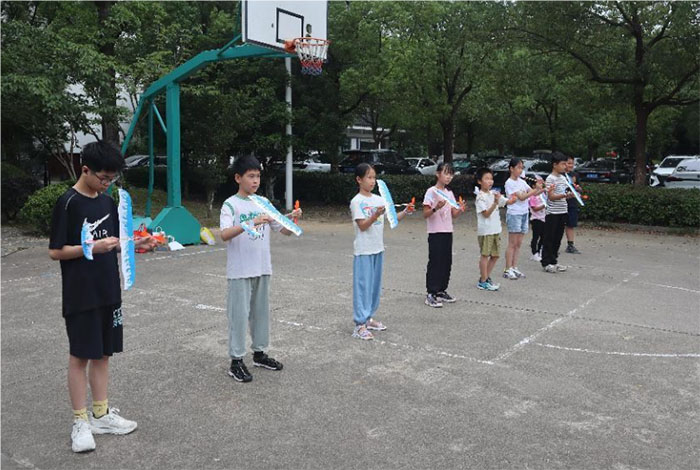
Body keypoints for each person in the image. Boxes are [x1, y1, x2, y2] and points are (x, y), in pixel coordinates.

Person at [49, 141, 156, 453]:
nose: (107, 183)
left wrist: (136, 244)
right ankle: (80, 421)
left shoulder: (108, 202)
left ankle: (101, 414)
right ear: (85, 170)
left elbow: (114, 242)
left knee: (103, 354)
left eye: (112, 178)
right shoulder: (68, 203)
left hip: (109, 290)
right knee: (80, 356)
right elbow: (56, 251)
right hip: (81, 293)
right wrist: (92, 248)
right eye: (104, 177)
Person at [219, 155, 302, 382]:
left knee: (261, 314)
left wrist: (293, 219)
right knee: (238, 316)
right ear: (238, 178)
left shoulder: (263, 202)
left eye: (257, 176)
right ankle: (236, 361)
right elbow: (225, 234)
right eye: (250, 176)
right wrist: (250, 222)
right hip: (240, 270)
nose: (255, 180)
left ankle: (260, 354)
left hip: (262, 267)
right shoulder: (230, 204)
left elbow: (283, 230)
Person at [350, 163, 413, 340]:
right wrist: (375, 215)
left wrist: (405, 211)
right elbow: (362, 226)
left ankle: (368, 318)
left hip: (378, 249)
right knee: (363, 287)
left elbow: (392, 219)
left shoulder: (379, 199)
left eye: (374, 177)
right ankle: (359, 325)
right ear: (359, 179)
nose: (372, 181)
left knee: (374, 287)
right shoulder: (356, 201)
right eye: (369, 177)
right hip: (363, 250)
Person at [422, 162, 467, 308]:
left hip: (448, 230)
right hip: (435, 231)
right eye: (446, 173)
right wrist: (436, 208)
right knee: (435, 261)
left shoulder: (449, 193)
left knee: (446, 262)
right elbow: (425, 213)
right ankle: (431, 293)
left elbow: (454, 214)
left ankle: (441, 290)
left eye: (451, 174)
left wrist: (460, 209)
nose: (448, 177)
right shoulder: (431, 191)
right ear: (438, 174)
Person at [503, 158, 544, 280]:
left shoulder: (522, 182)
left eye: (522, 168)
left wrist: (543, 189)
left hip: (524, 213)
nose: (521, 170)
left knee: (519, 243)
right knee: (512, 243)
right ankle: (507, 269)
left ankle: (514, 267)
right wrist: (535, 189)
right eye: (518, 167)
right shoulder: (509, 183)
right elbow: (522, 197)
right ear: (511, 169)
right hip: (514, 214)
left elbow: (534, 193)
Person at [474, 168, 515, 291]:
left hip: (496, 229)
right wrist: (495, 203)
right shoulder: (480, 197)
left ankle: (485, 277)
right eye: (486, 179)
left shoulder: (493, 193)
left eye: (491, 179)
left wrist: (514, 198)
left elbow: (507, 202)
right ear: (479, 181)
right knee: (485, 255)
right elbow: (486, 214)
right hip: (486, 231)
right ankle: (483, 281)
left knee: (495, 256)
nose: (490, 181)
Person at [540, 152, 575, 273]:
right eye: (563, 164)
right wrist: (564, 195)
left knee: (558, 238)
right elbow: (551, 196)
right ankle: (546, 262)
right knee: (549, 237)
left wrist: (570, 194)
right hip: (552, 213)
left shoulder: (563, 178)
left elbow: (564, 192)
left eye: (566, 164)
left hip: (562, 211)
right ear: (555, 165)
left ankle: (554, 261)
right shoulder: (550, 179)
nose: (565, 166)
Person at [564, 155, 582, 254]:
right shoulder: (560, 175)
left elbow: (579, 189)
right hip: (561, 203)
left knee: (570, 224)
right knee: (557, 225)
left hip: (572, 203)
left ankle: (570, 245)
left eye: (572, 163)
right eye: (569, 163)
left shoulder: (575, 175)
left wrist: (578, 189)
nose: (571, 165)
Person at [528, 176, 546, 262]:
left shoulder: (543, 194)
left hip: (544, 218)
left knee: (543, 237)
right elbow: (534, 208)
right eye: (538, 183)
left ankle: (539, 251)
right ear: (533, 186)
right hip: (536, 219)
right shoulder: (532, 196)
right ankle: (534, 253)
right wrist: (544, 205)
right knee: (536, 236)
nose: (541, 184)